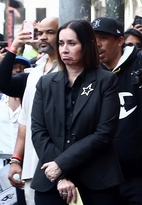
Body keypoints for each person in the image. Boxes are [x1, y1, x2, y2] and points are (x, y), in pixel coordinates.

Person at [30, 19, 122, 205]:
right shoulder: (45, 83)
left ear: (87, 45)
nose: (64, 49)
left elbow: (104, 134)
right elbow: (39, 132)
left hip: (96, 181)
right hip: (51, 182)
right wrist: (60, 175)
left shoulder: (106, 81)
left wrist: (61, 165)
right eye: (61, 43)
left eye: (72, 43)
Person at [92, 17, 142, 205]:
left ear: (120, 41)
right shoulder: (91, 73)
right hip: (103, 176)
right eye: (93, 39)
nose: (97, 44)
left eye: (103, 38)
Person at [0, 17, 60, 205]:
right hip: (32, 164)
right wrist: (16, 160)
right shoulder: (35, 72)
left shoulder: (71, 71)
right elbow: (24, 121)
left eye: (50, 32)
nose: (42, 37)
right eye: (40, 32)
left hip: (60, 164)